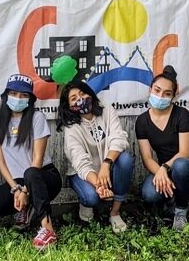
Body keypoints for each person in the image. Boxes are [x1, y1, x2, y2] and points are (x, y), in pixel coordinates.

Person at [0, 75, 62, 251]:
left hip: (44, 176)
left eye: (24, 95)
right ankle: (27, 207)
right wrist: (16, 188)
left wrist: (25, 191)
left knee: (30, 173)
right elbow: (1, 162)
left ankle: (47, 230)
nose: (19, 98)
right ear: (6, 96)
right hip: (18, 182)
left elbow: (37, 160)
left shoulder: (37, 118)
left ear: (30, 99)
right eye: (14, 93)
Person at [57, 81, 134, 234]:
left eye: (82, 93)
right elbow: (80, 161)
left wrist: (106, 164)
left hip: (109, 168)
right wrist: (98, 184)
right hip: (83, 174)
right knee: (91, 198)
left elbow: (119, 139)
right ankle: (87, 203)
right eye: (73, 98)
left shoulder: (107, 110)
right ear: (71, 106)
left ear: (90, 94)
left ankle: (115, 212)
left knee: (125, 160)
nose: (80, 98)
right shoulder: (71, 128)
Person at [136, 66, 189, 230]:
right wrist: (161, 172)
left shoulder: (182, 114)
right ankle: (170, 200)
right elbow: (147, 158)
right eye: (157, 90)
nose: (160, 96)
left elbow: (184, 153)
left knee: (180, 164)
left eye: (167, 93)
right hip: (165, 170)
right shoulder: (142, 121)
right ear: (150, 90)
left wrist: (165, 167)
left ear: (173, 96)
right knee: (149, 194)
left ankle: (180, 212)